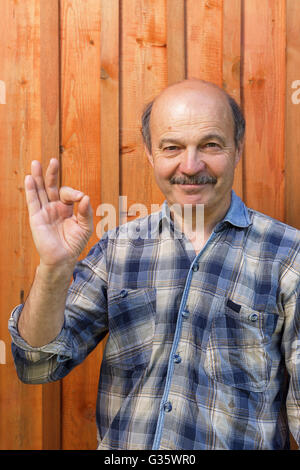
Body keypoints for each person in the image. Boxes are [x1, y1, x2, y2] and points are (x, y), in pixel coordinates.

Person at [9, 79, 300, 450]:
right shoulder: (118, 249)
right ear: (150, 153)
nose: (191, 165)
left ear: (238, 148)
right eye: (172, 147)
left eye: (210, 145)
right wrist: (53, 268)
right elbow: (37, 365)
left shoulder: (289, 256)